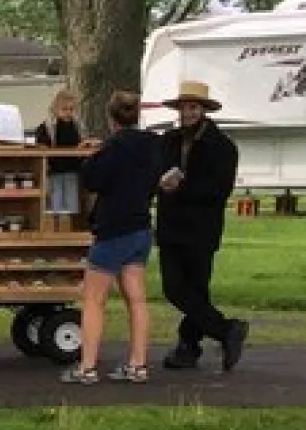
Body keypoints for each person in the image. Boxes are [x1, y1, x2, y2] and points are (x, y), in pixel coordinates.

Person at [61, 91, 160, 385]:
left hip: (113, 229)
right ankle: (138, 365)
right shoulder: (152, 145)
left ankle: (87, 367)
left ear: (111, 118)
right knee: (137, 299)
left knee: (94, 300)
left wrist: (94, 153)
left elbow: (92, 179)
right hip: (141, 227)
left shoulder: (113, 149)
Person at [155, 80, 249, 372]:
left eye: (193, 107)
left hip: (201, 229)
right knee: (174, 288)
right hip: (170, 227)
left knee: (196, 289)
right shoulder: (168, 141)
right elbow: (154, 172)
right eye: (184, 108)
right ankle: (226, 329)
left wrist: (180, 188)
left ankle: (188, 347)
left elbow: (219, 190)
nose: (188, 113)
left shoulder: (222, 147)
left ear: (204, 110)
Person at [34, 89, 83, 231]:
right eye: (64, 109)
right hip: (54, 171)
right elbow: (41, 142)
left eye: (71, 109)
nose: (68, 113)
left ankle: (70, 232)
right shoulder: (49, 126)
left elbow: (80, 141)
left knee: (72, 205)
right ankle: (55, 231)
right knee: (55, 205)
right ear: (55, 109)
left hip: (72, 171)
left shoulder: (77, 126)